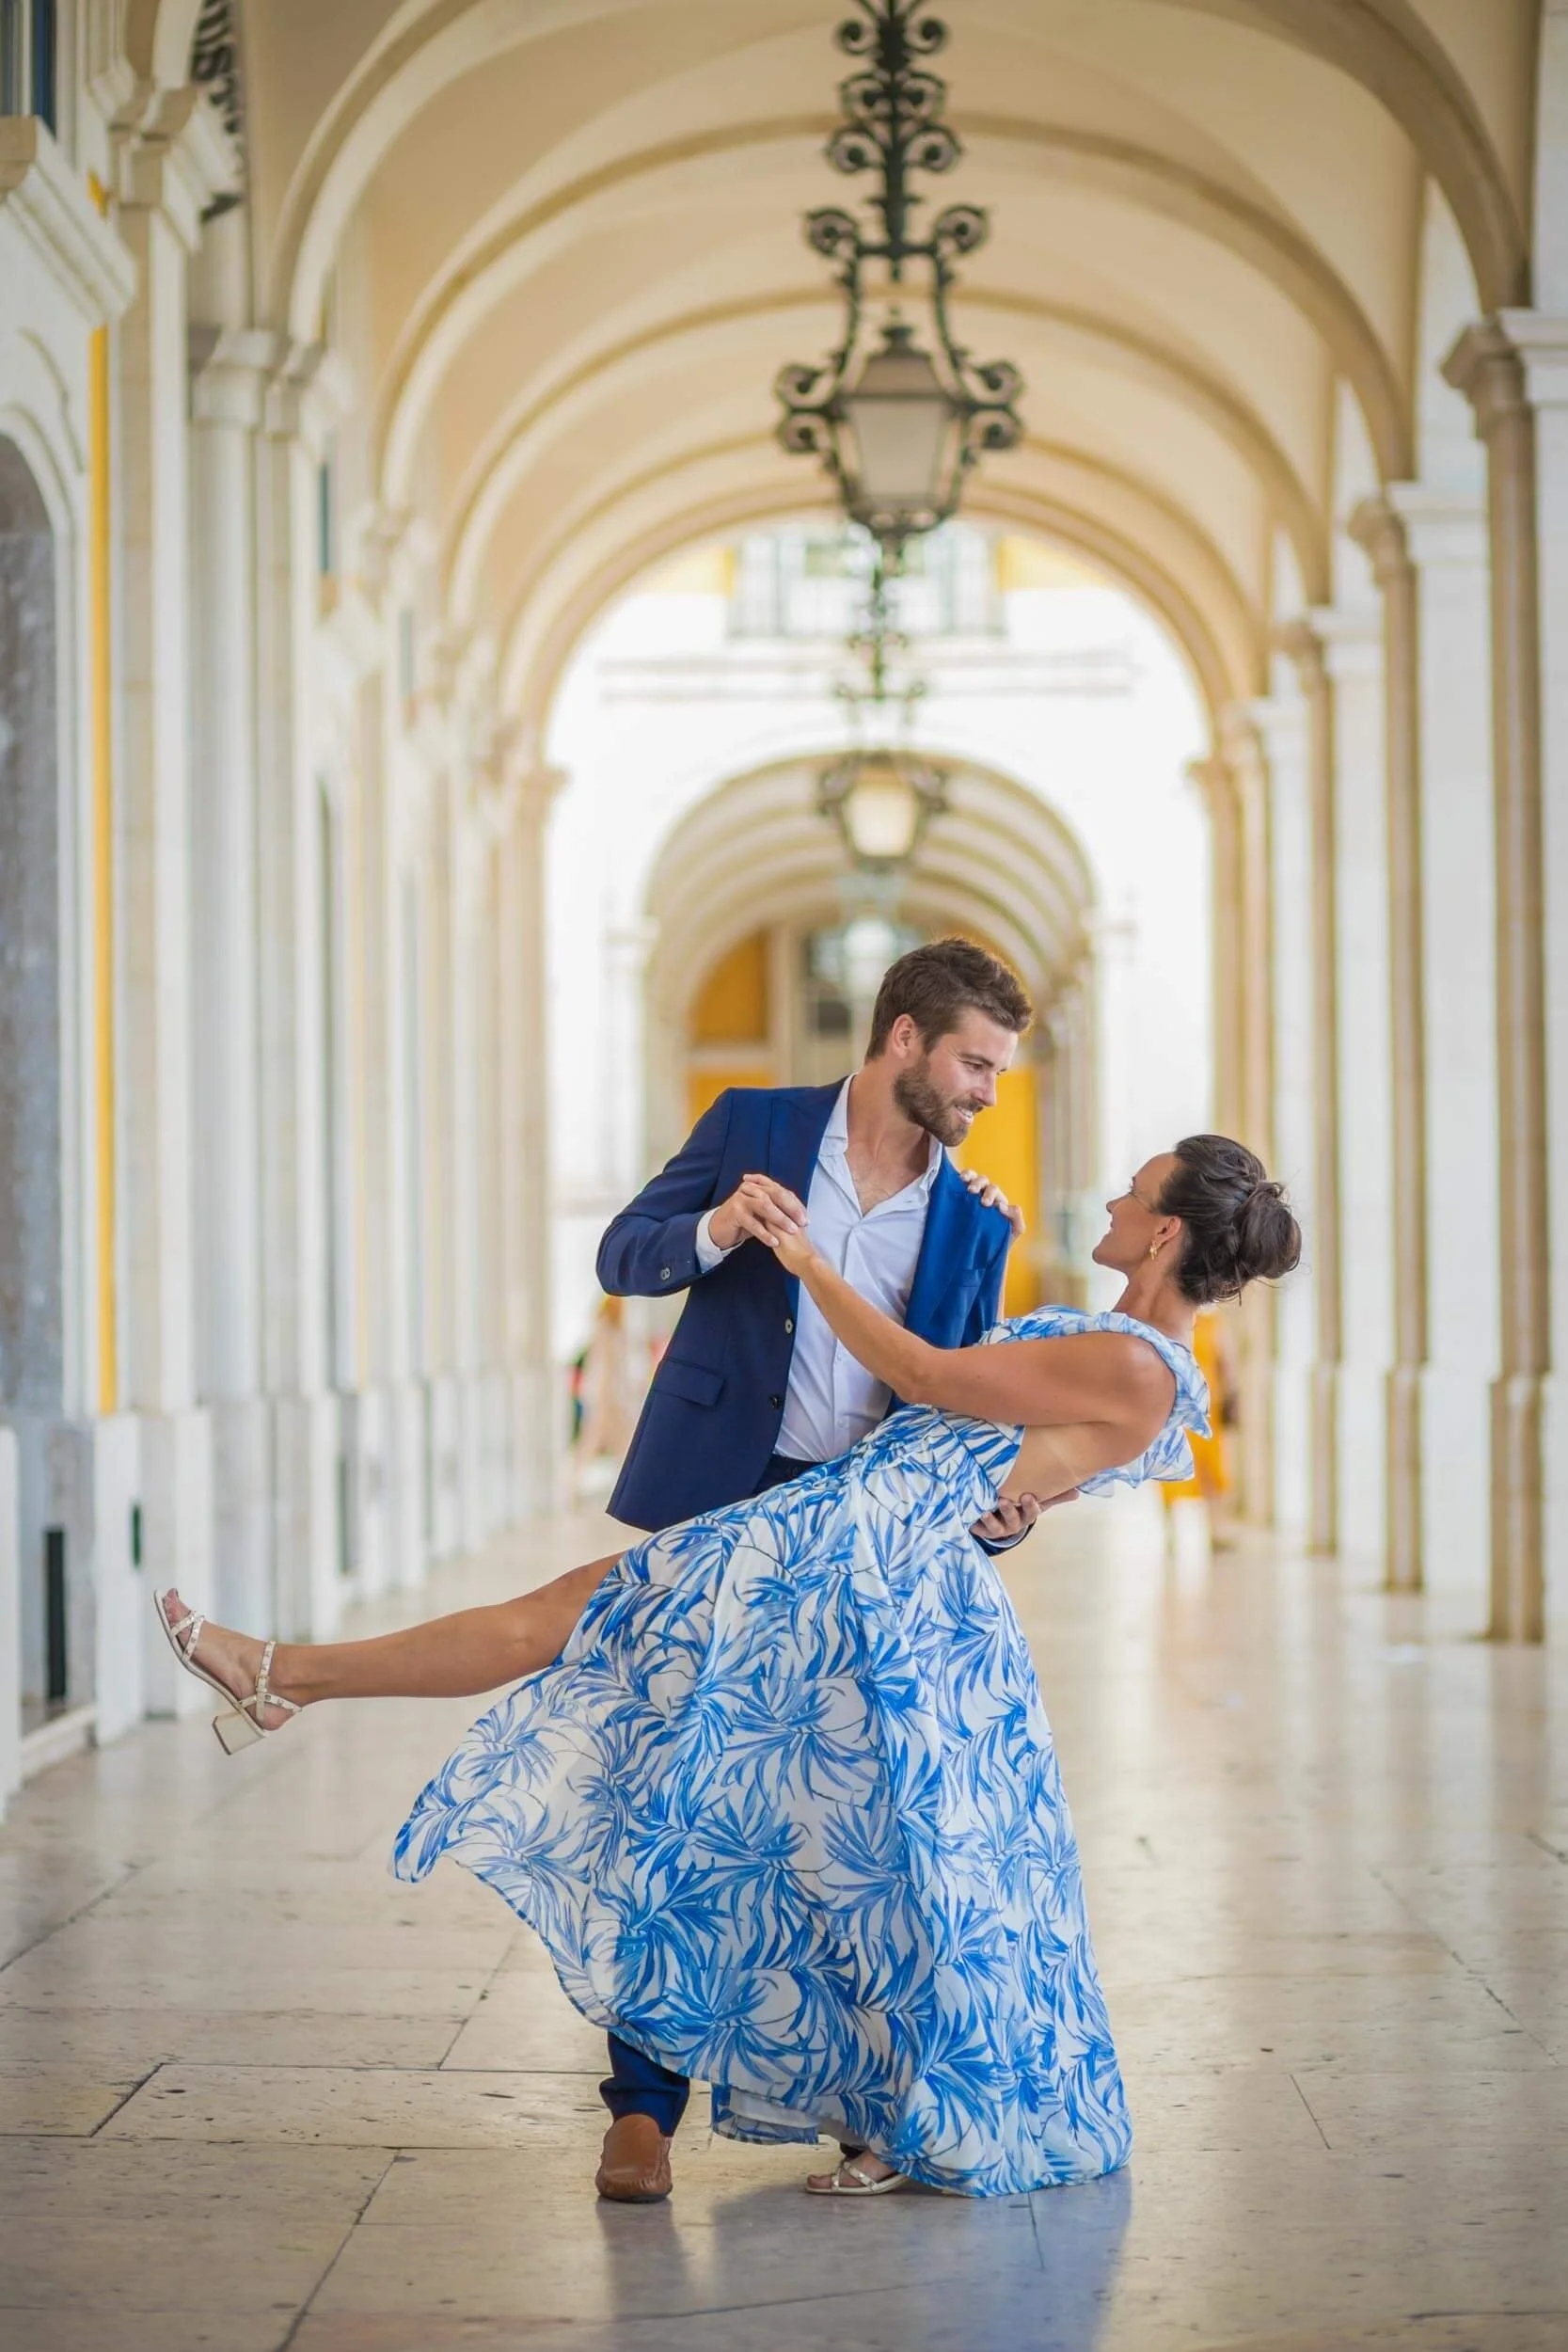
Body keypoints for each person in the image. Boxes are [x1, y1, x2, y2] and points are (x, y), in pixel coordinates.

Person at [157, 1134, 1301, 2202]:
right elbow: (1010, 1467)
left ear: (1161, 1235)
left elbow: (927, 1374)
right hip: (863, 1544)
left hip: (839, 1551)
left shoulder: (1137, 1364)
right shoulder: (1130, 1355)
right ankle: (283, 1676)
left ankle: (282, 1675)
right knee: (844, 1843)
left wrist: (806, 1260)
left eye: (1132, 1190)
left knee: (565, 1624)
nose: (1109, 1197)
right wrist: (1002, 1504)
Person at [588, 934, 1045, 2191]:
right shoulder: (754, 1123)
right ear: (902, 1039)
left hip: (866, 1542)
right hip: (720, 1500)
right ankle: (638, 2107)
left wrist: (1004, 1515)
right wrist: (717, 1228)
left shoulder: (968, 1218)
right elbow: (621, 1256)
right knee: (680, 1803)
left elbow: (958, 1395)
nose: (984, 1091)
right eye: (971, 1062)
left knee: (849, 1828)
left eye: (998, 1071)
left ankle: (853, 2095)